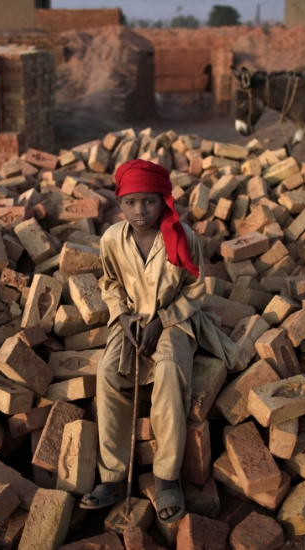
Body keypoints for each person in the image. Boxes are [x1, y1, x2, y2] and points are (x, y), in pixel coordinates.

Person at [80, 159, 238, 523]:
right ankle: (112, 477)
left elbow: (195, 290)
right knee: (108, 373)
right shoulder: (111, 240)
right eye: (131, 202)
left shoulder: (183, 237)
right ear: (120, 204)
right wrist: (123, 316)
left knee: (168, 371)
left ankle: (167, 478)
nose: (140, 211)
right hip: (131, 321)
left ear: (163, 200)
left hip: (175, 320)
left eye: (149, 202)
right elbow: (110, 284)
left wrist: (162, 321)